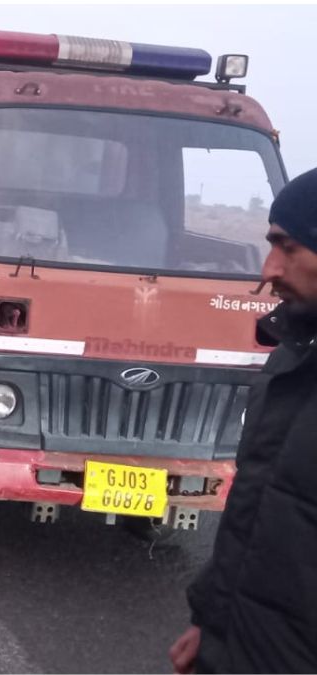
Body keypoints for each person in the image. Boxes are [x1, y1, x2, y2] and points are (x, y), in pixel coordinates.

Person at [170, 167, 317, 673]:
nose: (269, 269)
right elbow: (257, 509)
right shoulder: (296, 355)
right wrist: (212, 623)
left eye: (289, 247)